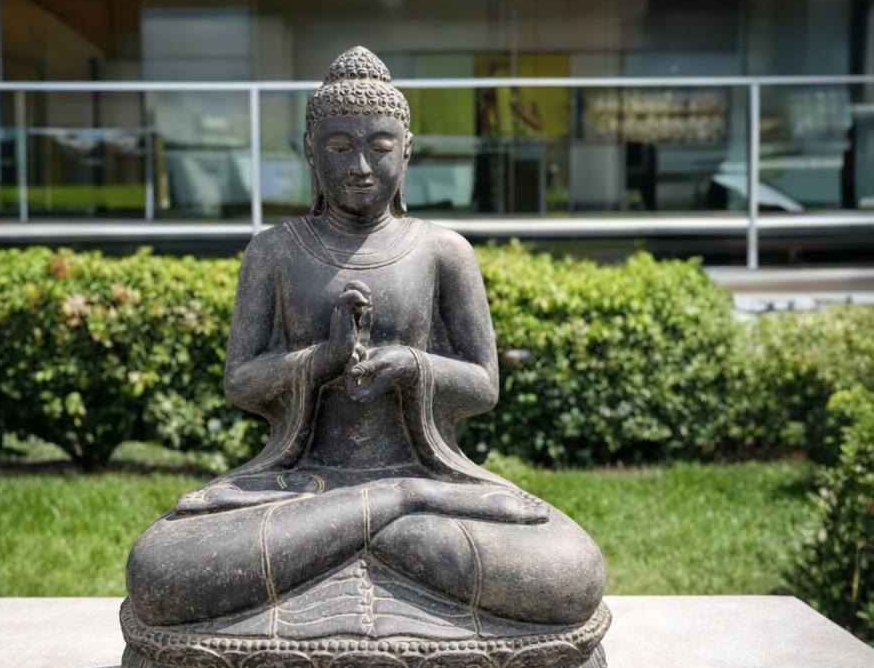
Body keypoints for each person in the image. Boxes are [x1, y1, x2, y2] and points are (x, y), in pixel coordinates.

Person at [127, 47, 604, 629]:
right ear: (310, 151)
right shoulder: (273, 250)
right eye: (339, 148)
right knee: (159, 571)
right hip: (298, 488)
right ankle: (385, 513)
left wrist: (411, 364)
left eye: (379, 147)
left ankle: (356, 531)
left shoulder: (443, 251)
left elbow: (483, 385)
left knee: (568, 572)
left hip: (423, 480)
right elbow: (241, 381)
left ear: (407, 150)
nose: (359, 166)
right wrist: (321, 360)